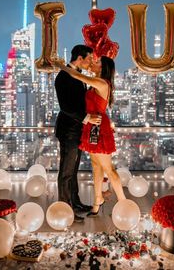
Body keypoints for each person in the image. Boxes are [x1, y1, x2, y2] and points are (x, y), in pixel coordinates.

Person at [54, 56, 126, 217]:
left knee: (109, 168)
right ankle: (97, 202)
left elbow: (79, 76)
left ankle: (123, 204)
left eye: (98, 62)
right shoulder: (96, 82)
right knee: (96, 167)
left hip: (99, 127)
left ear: (104, 67)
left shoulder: (101, 83)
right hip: (91, 126)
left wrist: (62, 66)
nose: (94, 62)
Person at [55, 44, 102, 223]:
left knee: (73, 170)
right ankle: (65, 209)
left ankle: (75, 202)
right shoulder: (63, 77)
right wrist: (86, 118)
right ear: (80, 58)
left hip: (77, 130)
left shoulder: (79, 76)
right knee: (66, 171)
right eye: (89, 58)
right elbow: (65, 107)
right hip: (68, 131)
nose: (91, 62)